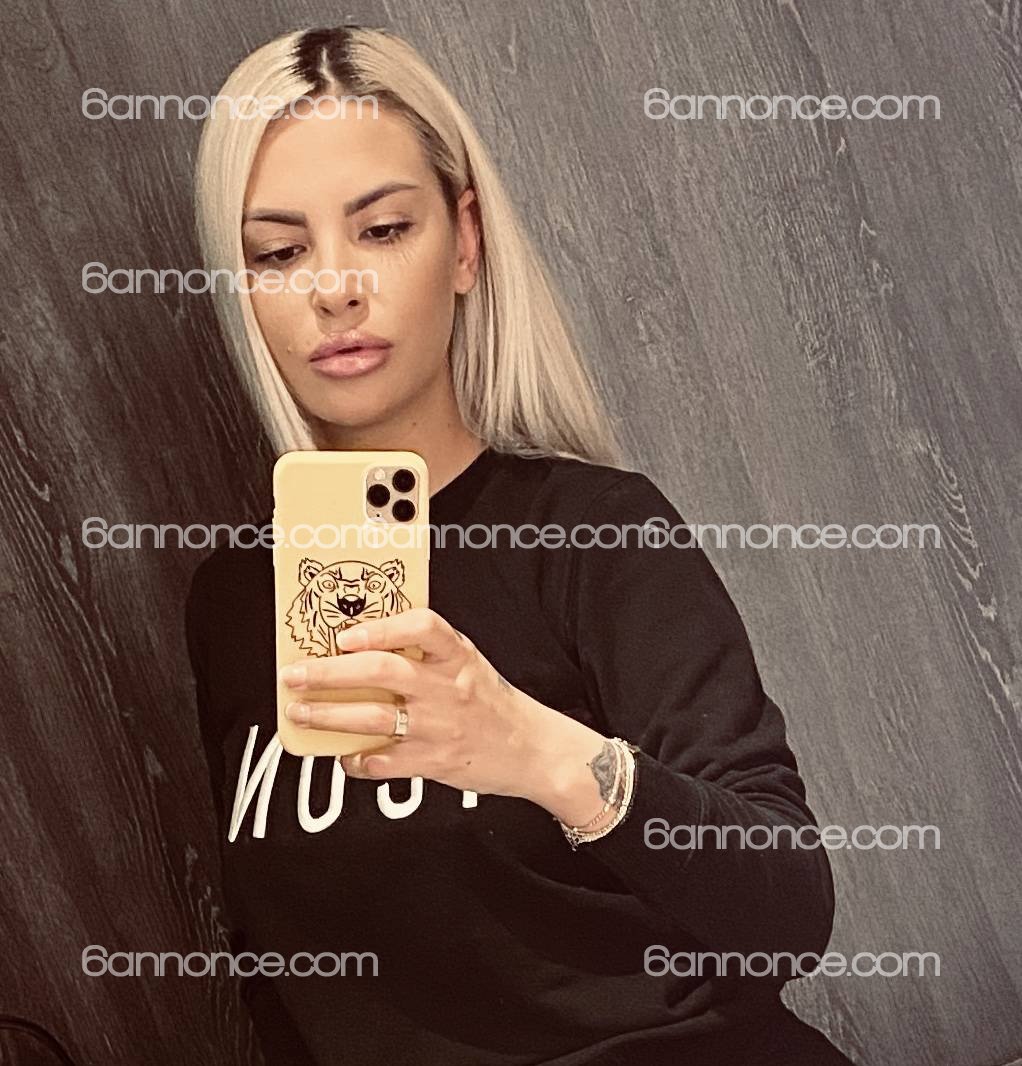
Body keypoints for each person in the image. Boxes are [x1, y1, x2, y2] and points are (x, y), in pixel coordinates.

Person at [185, 24, 855, 1066]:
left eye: (381, 229)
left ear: (463, 242)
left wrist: (535, 752)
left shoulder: (592, 530)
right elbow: (282, 982)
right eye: (279, 251)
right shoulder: (232, 602)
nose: (334, 288)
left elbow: (788, 909)